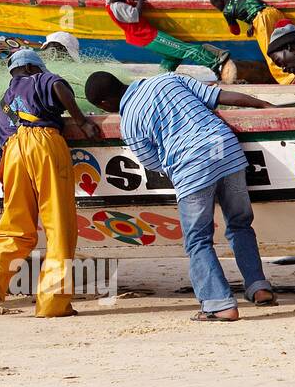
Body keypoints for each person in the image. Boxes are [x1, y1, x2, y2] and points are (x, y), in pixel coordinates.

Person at [83, 71, 278, 321]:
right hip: (227, 152)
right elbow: (221, 96)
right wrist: (263, 105)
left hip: (191, 169)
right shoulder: (168, 79)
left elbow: (152, 161)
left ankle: (220, 304)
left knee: (197, 239)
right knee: (239, 224)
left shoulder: (129, 121)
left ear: (104, 105)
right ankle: (259, 287)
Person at [0, 49, 99, 317]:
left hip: (12, 153)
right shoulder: (39, 79)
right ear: (30, 68)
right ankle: (53, 303)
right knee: (58, 225)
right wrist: (81, 120)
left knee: (15, 224)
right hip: (43, 142)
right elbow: (58, 86)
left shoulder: (5, 100)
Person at [105, 0, 236, 81]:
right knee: (187, 49)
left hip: (142, 38)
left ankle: (161, 80)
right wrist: (140, 1)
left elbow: (116, 0)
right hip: (148, 36)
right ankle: (216, 65)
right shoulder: (119, 6)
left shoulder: (111, 4)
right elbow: (135, 15)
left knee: (173, 57)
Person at [209, 0, 295, 84]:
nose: (217, 8)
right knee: (287, 44)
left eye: (215, 6)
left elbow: (235, 31)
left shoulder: (227, 11)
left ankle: (289, 78)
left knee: (271, 52)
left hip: (262, 21)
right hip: (274, 12)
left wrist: (232, 21)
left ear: (219, 1)